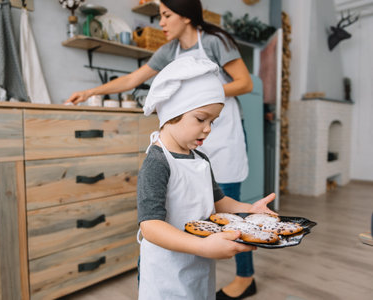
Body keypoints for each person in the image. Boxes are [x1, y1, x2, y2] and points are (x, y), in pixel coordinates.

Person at [66, 1, 255, 298]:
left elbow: (244, 82)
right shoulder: (169, 53)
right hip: (170, 274)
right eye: (160, 16)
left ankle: (245, 277)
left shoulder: (216, 42)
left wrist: (204, 100)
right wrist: (91, 92)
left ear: (186, 15)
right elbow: (132, 80)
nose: (161, 23)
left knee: (220, 213)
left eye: (166, 15)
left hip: (223, 139)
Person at [137, 55, 275, 300]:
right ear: (172, 113)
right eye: (201, 119)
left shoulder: (201, 159)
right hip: (166, 273)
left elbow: (219, 202)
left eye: (213, 121)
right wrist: (202, 246)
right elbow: (150, 227)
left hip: (199, 265)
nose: (208, 128)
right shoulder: (157, 163)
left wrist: (249, 210)